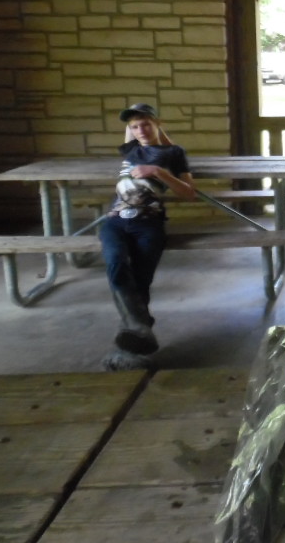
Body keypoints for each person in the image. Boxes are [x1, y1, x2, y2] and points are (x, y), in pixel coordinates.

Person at [98, 103, 196, 371]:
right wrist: (135, 123)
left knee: (141, 280)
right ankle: (141, 328)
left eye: (146, 124)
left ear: (157, 124)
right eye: (134, 126)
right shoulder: (131, 150)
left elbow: (189, 192)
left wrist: (158, 172)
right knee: (116, 265)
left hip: (148, 221)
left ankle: (131, 339)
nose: (140, 130)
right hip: (116, 221)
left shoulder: (174, 153)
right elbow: (133, 129)